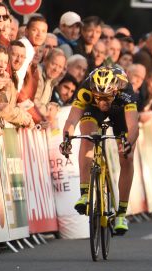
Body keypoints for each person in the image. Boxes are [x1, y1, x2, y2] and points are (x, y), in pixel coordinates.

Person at [60, 66, 140, 234]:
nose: (103, 102)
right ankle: (85, 193)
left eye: (106, 98)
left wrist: (128, 143)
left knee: (127, 157)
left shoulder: (125, 92)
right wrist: (66, 140)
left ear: (115, 91)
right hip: (92, 109)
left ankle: (121, 214)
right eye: (99, 98)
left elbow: (133, 126)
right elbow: (72, 119)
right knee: (87, 137)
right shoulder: (86, 89)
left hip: (119, 111)